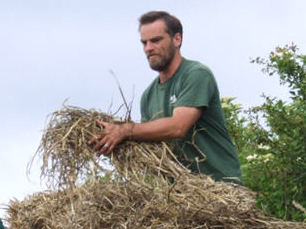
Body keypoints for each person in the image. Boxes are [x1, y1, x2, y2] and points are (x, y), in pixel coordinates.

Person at [90, 10, 242, 183]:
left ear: (177, 39)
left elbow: (178, 127)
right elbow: (152, 144)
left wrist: (125, 131)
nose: (148, 48)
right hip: (179, 195)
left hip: (220, 189)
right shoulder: (148, 96)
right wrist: (107, 138)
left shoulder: (196, 74)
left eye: (156, 40)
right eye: (144, 43)